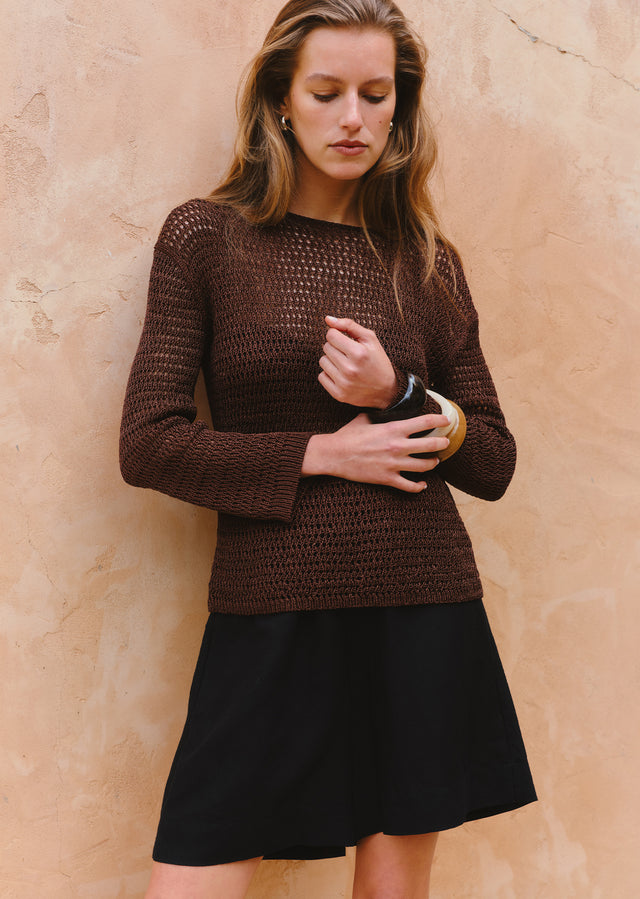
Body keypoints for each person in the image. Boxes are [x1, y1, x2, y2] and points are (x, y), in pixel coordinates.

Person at [119, 0, 537, 896]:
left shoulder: (426, 258)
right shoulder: (205, 237)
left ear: (399, 108)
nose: (354, 117)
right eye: (327, 91)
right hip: (269, 605)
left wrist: (400, 395)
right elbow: (148, 443)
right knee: (193, 869)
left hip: (421, 604)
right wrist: (320, 453)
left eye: (376, 94)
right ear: (280, 100)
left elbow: (493, 458)